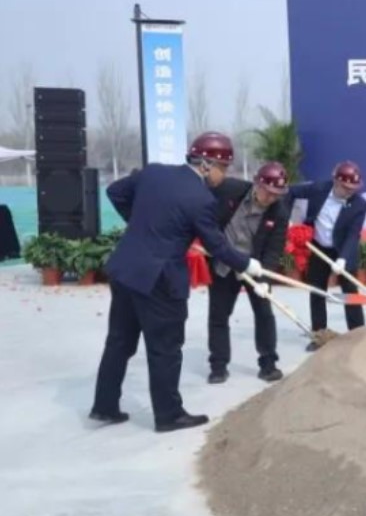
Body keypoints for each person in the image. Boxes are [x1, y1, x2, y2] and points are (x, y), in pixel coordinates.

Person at [91, 132, 262, 433]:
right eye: (224, 168)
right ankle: (168, 415)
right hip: (159, 280)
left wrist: (142, 225)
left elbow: (115, 191)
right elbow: (218, 246)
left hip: (126, 269)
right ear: (206, 164)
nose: (225, 175)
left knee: (119, 342)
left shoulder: (154, 173)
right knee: (165, 348)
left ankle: (104, 406)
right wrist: (247, 264)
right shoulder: (201, 200)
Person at [206, 161, 291, 384]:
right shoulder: (230, 189)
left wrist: (264, 279)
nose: (271, 198)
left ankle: (268, 364)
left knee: (264, 314)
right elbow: (202, 203)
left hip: (255, 267)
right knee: (218, 316)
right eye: (268, 191)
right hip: (224, 263)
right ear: (257, 183)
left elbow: (274, 249)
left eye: (277, 194)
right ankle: (218, 366)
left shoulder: (279, 212)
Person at [288, 161, 366, 350]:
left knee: (351, 294)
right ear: (336, 181)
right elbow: (289, 192)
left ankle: (357, 336)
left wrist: (343, 259)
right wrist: (287, 219)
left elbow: (353, 235)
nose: (349, 192)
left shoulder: (359, 204)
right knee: (317, 291)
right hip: (319, 247)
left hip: (343, 250)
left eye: (353, 189)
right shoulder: (318, 189)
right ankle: (319, 335)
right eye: (346, 188)